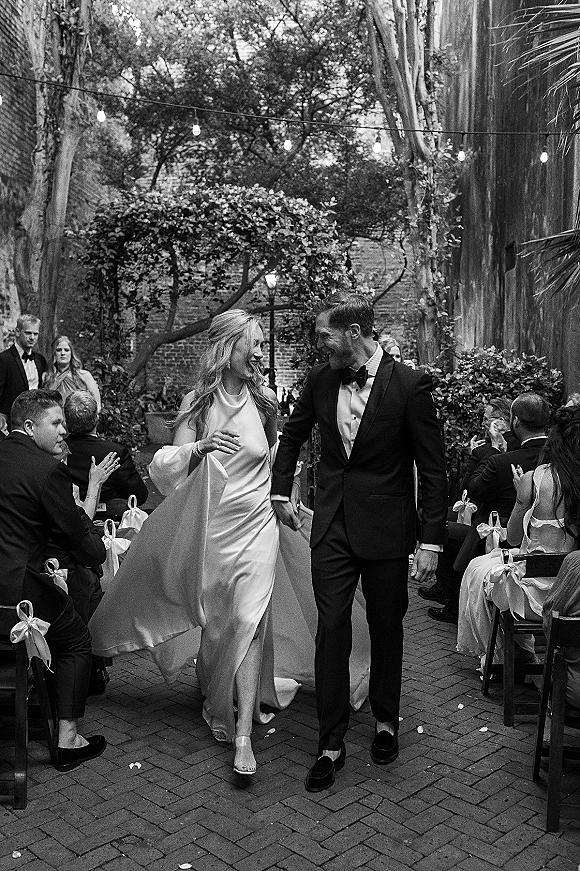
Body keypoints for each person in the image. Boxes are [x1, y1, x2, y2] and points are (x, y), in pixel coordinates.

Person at [89, 310, 302, 777]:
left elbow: (277, 459)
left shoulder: (265, 402)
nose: (261, 353)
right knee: (219, 624)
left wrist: (289, 495)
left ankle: (242, 736)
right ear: (228, 348)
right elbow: (163, 465)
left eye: (262, 344)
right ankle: (216, 684)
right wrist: (197, 448)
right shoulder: (199, 404)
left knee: (248, 619)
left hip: (257, 526)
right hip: (213, 529)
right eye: (254, 344)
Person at [271, 291, 448, 792]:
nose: (319, 343)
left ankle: (386, 721)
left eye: (324, 334)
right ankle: (330, 742)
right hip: (331, 526)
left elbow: (433, 469)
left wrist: (431, 541)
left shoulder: (410, 385)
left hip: (387, 529)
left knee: (386, 626)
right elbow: (293, 435)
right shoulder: (320, 380)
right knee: (331, 628)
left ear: (353, 332)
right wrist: (280, 489)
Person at [0, 389, 107, 771]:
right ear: (29, 426)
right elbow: (78, 539)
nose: (64, 430)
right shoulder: (46, 470)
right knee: (76, 639)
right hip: (15, 597)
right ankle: (67, 739)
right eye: (56, 423)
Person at [457, 403, 580, 670]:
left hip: (536, 598)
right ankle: (521, 653)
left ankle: (505, 654)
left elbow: (513, 538)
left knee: (481, 570)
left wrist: (522, 496)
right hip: (573, 596)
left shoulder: (534, 480)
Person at [421, 396, 519, 623]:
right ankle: (445, 590)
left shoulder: (489, 452)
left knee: (440, 528)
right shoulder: (521, 449)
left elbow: (469, 489)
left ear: (501, 421)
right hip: (504, 527)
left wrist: (483, 453)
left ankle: (452, 600)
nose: (483, 422)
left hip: (487, 530)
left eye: (487, 418)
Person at [64, 391, 148, 516]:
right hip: (111, 518)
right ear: (96, 419)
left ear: (66, 421)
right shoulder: (115, 453)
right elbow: (139, 495)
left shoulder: (57, 451)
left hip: (70, 515)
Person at [0, 315, 47, 420]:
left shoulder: (41, 360)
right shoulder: (4, 359)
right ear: (17, 332)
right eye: (28, 333)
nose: (32, 338)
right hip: (10, 421)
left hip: (36, 419)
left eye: (35, 334)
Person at [43, 336, 101, 412]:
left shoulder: (84, 375)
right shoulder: (46, 377)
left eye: (66, 350)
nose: (63, 353)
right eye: (58, 350)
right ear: (54, 353)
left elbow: (97, 405)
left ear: (71, 353)